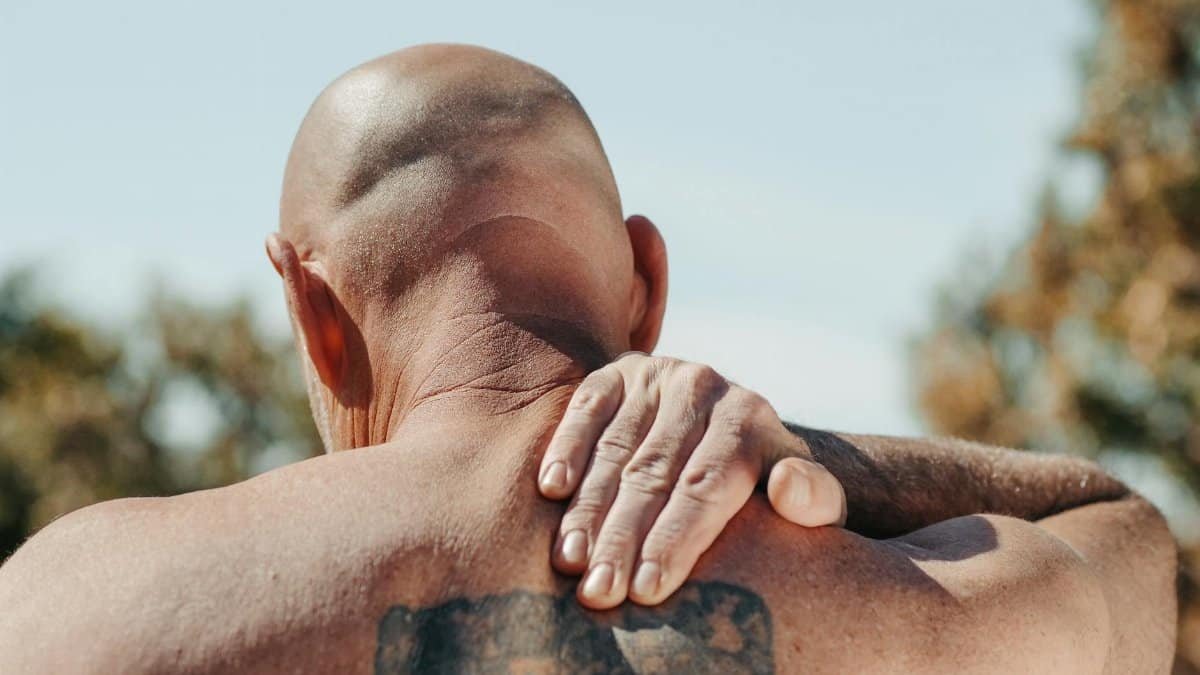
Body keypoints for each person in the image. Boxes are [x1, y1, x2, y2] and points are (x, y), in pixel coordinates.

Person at [0, 44, 1176, 673]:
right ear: (646, 282)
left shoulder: (79, 601)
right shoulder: (954, 616)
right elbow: (1121, 524)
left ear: (314, 310)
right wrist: (804, 457)